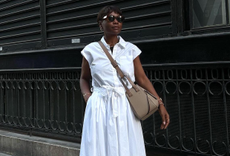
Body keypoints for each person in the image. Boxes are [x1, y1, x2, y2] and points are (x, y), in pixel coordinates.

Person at [79, 5, 170, 156]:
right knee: (99, 147)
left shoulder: (130, 49)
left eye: (120, 19)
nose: (116, 22)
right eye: (111, 18)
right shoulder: (90, 50)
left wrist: (160, 104)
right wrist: (88, 98)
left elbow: (142, 79)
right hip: (99, 106)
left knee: (127, 146)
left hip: (125, 105)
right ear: (100, 24)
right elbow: (84, 78)